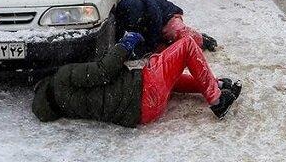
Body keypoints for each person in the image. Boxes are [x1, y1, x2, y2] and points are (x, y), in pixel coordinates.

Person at [32, 32, 242, 127]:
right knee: (186, 46)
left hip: (142, 113)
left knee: (164, 72)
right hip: (142, 90)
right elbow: (104, 71)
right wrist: (125, 44)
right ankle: (217, 101)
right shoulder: (62, 77)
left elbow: (101, 88)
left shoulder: (63, 104)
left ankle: (217, 85)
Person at [115, 0, 217, 57]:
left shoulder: (152, 10)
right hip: (150, 28)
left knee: (176, 33)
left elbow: (153, 35)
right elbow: (120, 30)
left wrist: (146, 48)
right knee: (163, 52)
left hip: (169, 18)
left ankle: (201, 39)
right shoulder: (122, 11)